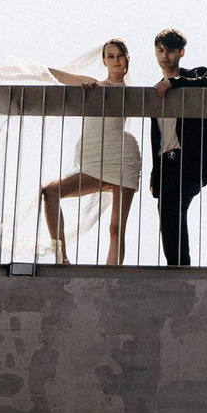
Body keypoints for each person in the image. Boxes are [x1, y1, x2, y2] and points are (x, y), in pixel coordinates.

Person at [37, 39, 140, 264]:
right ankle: (62, 260)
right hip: (95, 158)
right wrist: (34, 67)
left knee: (116, 228)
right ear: (103, 61)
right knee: (51, 191)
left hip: (123, 157)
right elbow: (58, 76)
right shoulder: (93, 85)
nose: (116, 60)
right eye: (110, 56)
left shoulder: (133, 92)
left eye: (120, 56)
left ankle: (111, 276)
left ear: (127, 59)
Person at [145, 28, 207, 266]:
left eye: (170, 50)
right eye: (160, 50)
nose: (165, 55)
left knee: (170, 203)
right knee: (167, 209)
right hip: (166, 163)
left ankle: (178, 268)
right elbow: (159, 138)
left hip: (191, 159)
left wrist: (174, 83)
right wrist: (155, 173)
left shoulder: (195, 75)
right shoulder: (156, 91)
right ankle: (177, 266)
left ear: (181, 52)